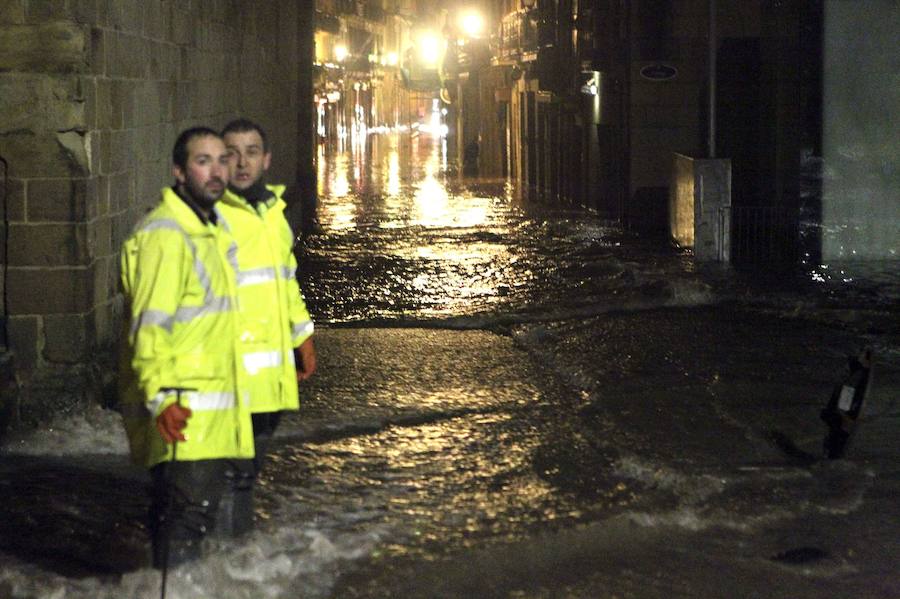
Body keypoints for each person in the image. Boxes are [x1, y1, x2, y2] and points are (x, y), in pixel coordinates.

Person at [118, 126, 255, 568]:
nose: (217, 171)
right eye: (203, 161)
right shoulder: (168, 235)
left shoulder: (208, 231)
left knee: (189, 515)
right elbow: (149, 325)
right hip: (184, 407)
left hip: (211, 407)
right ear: (179, 171)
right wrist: (161, 398)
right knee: (186, 516)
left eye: (222, 160)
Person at [215, 118, 317, 533]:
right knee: (229, 474)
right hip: (230, 376)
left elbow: (285, 279)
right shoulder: (212, 217)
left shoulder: (273, 214)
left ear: (266, 160)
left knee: (248, 472)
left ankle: (234, 560)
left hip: (270, 378)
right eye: (232, 153)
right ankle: (219, 565)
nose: (242, 163)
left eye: (251, 152)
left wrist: (302, 334)